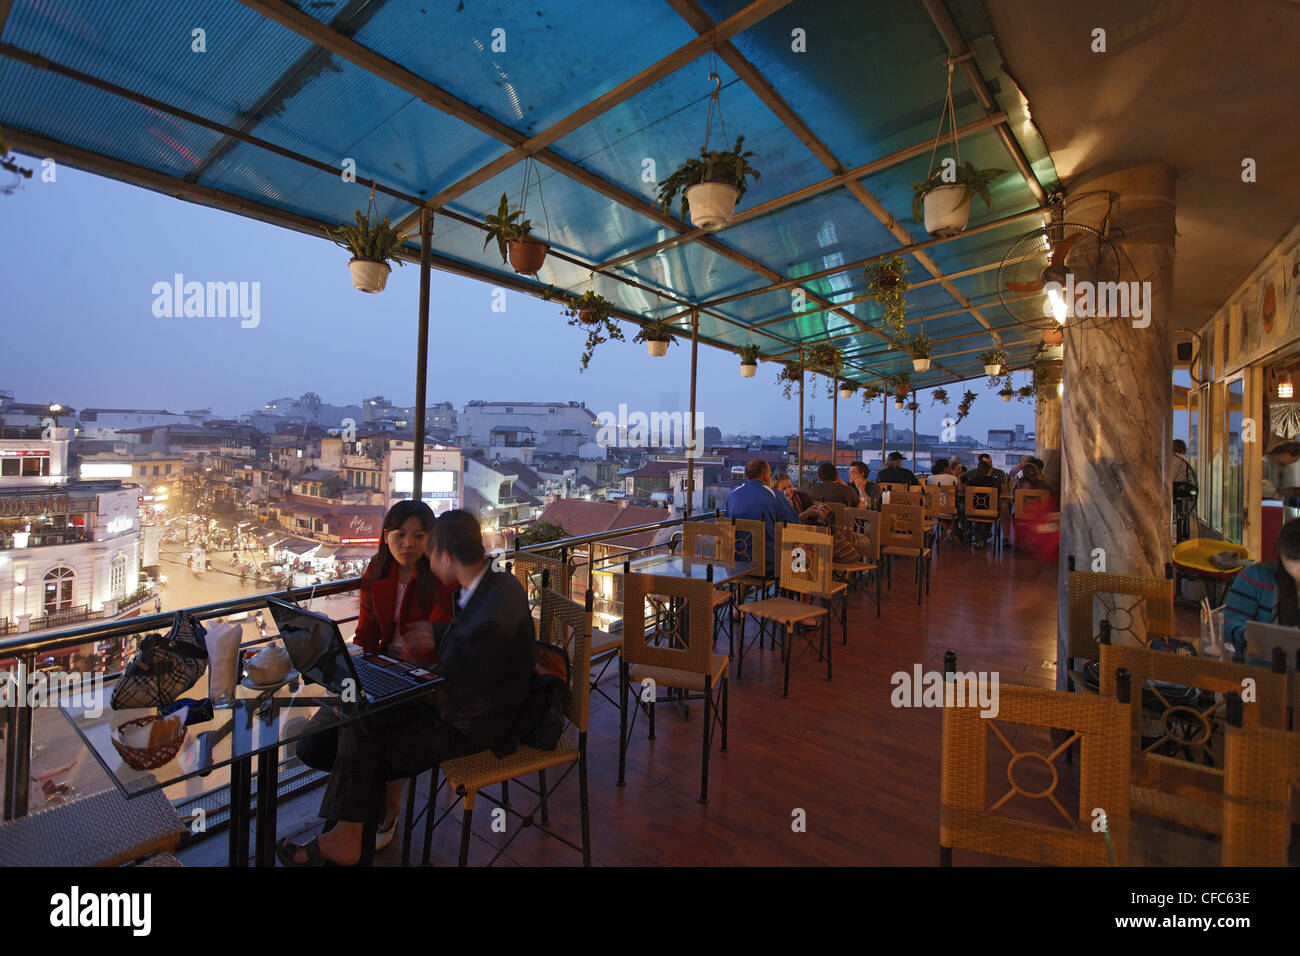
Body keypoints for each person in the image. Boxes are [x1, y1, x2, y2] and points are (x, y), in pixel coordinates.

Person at [277, 510, 533, 867]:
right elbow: (473, 650)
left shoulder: (490, 603)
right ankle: (345, 835)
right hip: (461, 702)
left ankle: (346, 837)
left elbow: (472, 679)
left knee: (368, 735)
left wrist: (410, 688)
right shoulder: (493, 587)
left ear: (444, 555)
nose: (421, 555)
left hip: (481, 723)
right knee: (365, 720)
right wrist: (433, 639)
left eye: (428, 549)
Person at [292, 500, 457, 852]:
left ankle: (358, 823)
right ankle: (369, 805)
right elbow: (366, 632)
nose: (408, 543)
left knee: (365, 730)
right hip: (380, 669)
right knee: (312, 744)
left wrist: (429, 639)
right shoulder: (377, 574)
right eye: (400, 534)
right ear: (386, 537)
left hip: (425, 681)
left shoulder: (442, 576)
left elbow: (449, 639)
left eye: (418, 535)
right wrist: (352, 665)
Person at [1222, 518, 1300, 657]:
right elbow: (1228, 623)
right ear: (1280, 554)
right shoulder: (1255, 578)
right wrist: (1256, 637)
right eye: (1295, 560)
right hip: (1260, 670)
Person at [724, 459, 802, 577]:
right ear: (765, 475)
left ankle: (740, 594)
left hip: (737, 561)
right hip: (768, 563)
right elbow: (795, 525)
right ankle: (798, 590)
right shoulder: (775, 495)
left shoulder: (732, 494)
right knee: (803, 551)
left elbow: (725, 525)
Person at [963, 461, 1003, 547]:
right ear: (989, 471)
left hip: (972, 511)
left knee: (978, 511)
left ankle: (976, 533)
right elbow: (999, 495)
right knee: (990, 509)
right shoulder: (995, 482)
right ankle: (982, 536)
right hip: (990, 511)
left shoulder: (972, 482)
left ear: (977, 470)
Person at [1171, 439, 1198, 542]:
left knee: (1173, 519)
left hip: (1174, 495)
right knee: (1180, 518)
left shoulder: (1173, 461)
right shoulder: (1190, 461)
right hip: (1186, 497)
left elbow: (1170, 477)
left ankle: (1173, 540)